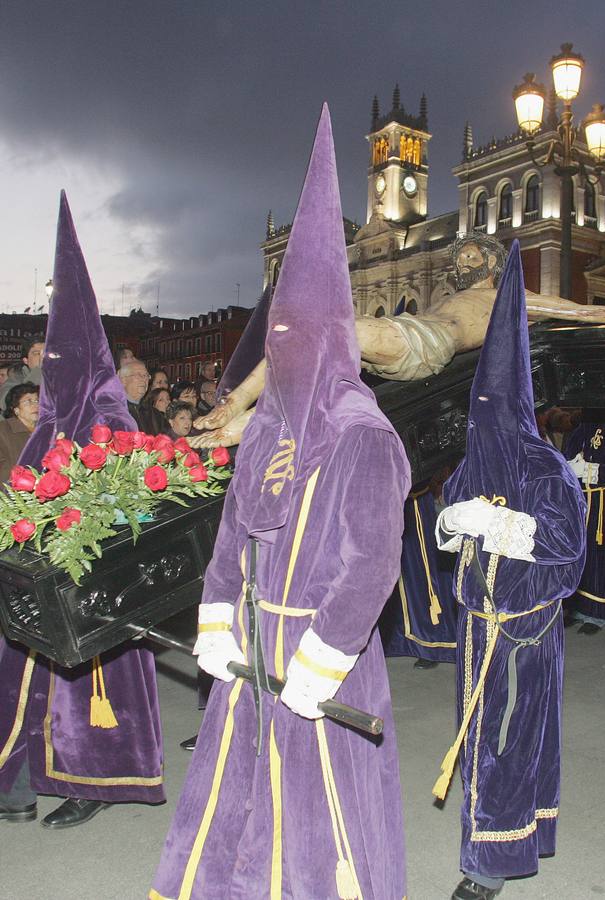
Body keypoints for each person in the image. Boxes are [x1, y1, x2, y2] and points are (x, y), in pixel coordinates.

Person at [151, 106, 409, 899]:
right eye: (279, 338)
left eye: (302, 339)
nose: (286, 354)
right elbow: (233, 531)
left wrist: (320, 661)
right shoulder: (263, 428)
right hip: (250, 652)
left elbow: (369, 563)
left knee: (315, 812)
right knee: (238, 795)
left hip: (311, 660)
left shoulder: (362, 434)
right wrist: (216, 621)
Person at [189, 235, 605, 448]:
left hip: (425, 345)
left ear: (494, 263)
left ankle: (233, 410)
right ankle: (229, 420)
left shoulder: (508, 296)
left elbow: (584, 312)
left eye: (473, 255)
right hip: (409, 341)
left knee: (323, 326)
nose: (464, 262)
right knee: (306, 349)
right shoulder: (453, 294)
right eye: (462, 256)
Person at [0, 192, 164, 829]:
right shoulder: (47, 423)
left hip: (98, 583)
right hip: (44, 580)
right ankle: (20, 781)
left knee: (86, 691)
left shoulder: (109, 420)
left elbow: (133, 496)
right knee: (25, 683)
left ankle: (93, 777)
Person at [431, 240, 586, 900]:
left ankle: (488, 865)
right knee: (479, 745)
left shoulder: (545, 469)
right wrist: (451, 522)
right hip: (476, 628)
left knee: (507, 741)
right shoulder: (475, 462)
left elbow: (564, 547)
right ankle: (496, 838)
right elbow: (445, 518)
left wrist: (494, 525)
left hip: (521, 633)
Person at [563, 408, 605, 634]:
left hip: (604, 503)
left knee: (601, 556)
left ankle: (597, 612)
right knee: (579, 554)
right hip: (580, 500)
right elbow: (565, 458)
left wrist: (590, 470)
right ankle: (576, 608)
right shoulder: (579, 431)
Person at [381, 472, 458, 668]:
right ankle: (391, 638)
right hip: (381, 499)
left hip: (412, 499)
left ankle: (430, 642)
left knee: (420, 572)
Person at [0, 382, 39, 483]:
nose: (36, 405)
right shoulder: (3, 430)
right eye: (28, 401)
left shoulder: (46, 428)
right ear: (16, 409)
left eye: (37, 400)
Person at [0, 335, 45, 408]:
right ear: (26, 360)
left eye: (46, 353)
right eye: (37, 353)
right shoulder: (17, 376)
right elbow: (5, 404)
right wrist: (38, 371)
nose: (43, 357)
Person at [118, 358, 150, 429]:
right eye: (138, 375)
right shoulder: (114, 411)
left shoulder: (154, 414)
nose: (144, 379)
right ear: (123, 380)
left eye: (146, 375)